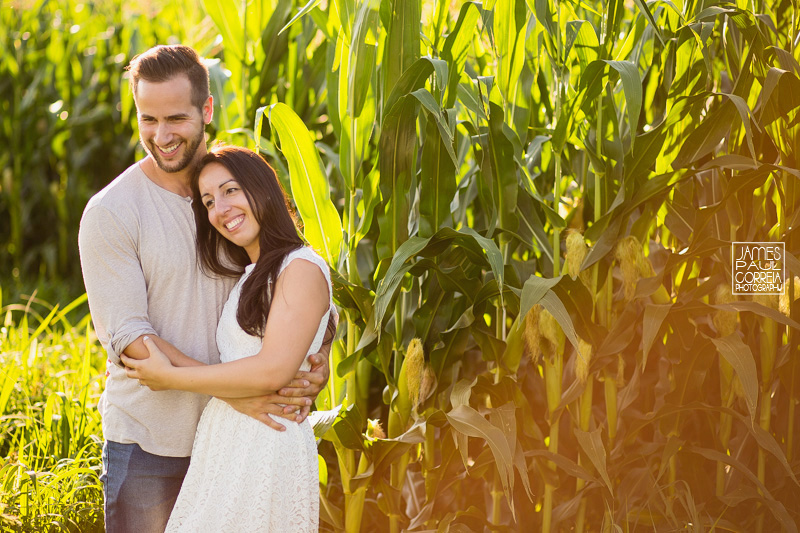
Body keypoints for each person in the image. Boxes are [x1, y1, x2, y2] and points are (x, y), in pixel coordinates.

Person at [77, 45, 330, 532]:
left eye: (176, 118)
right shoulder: (112, 212)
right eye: (147, 119)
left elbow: (287, 284)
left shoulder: (231, 195)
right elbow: (131, 339)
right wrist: (243, 392)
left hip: (240, 442)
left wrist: (313, 356)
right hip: (152, 441)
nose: (161, 135)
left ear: (206, 110)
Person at [123, 144, 330, 531]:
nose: (220, 209)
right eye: (208, 201)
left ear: (263, 188)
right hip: (227, 441)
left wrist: (170, 378)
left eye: (231, 190)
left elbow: (272, 371)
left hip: (267, 443)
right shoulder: (252, 272)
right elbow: (237, 365)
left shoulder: (299, 267)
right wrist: (148, 341)